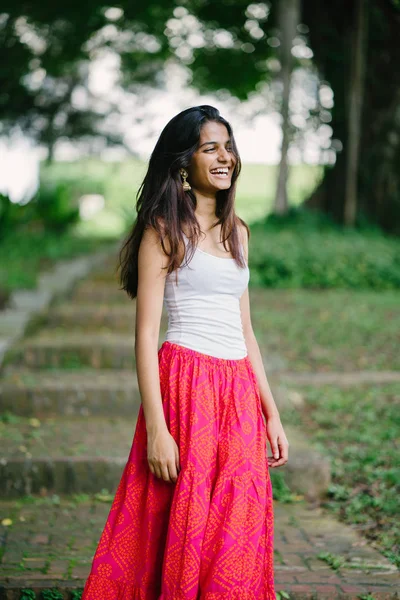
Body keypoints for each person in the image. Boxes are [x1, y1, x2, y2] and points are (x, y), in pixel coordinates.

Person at [81, 105, 289, 599]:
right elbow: (146, 333)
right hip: (186, 384)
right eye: (209, 147)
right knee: (183, 513)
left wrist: (271, 413)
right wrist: (157, 427)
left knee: (235, 519)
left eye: (228, 146)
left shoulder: (239, 233)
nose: (224, 157)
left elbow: (247, 329)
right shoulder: (163, 229)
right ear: (184, 161)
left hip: (237, 388)